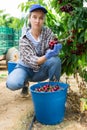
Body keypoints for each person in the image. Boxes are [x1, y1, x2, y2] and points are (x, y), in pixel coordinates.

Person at [6, 4, 62, 97]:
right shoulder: (24, 39)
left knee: (55, 60)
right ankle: (25, 83)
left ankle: (54, 88)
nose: (37, 21)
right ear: (29, 18)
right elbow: (33, 61)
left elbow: (52, 45)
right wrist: (47, 55)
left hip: (41, 70)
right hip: (25, 69)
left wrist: (55, 48)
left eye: (41, 18)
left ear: (44, 20)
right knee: (13, 83)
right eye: (34, 17)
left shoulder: (47, 32)